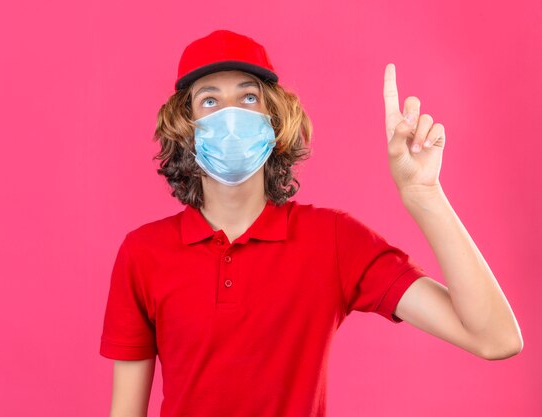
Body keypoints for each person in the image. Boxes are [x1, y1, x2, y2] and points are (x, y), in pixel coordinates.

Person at [99, 29, 523, 417]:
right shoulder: (143, 253)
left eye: (249, 98)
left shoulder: (333, 239)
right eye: (209, 100)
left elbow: (495, 339)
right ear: (186, 127)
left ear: (274, 120)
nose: (231, 116)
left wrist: (423, 194)